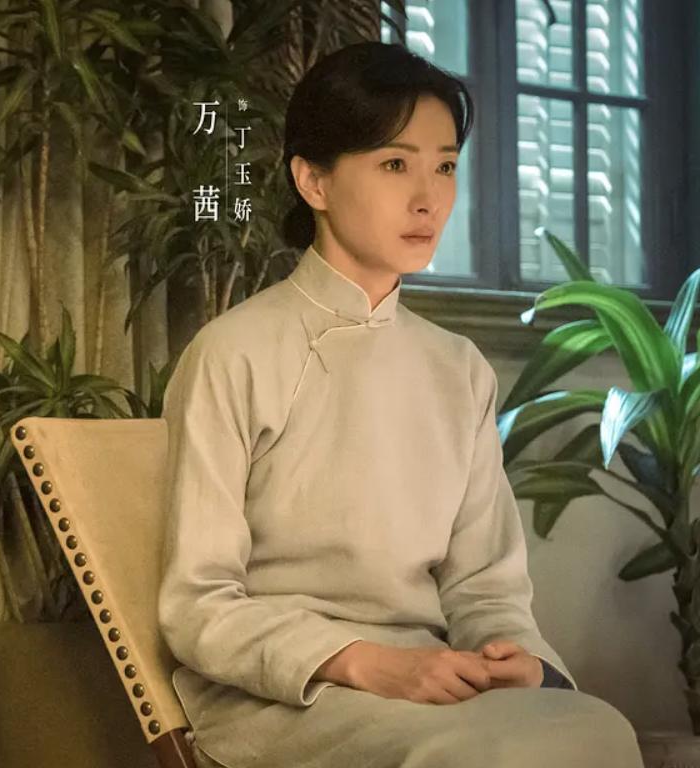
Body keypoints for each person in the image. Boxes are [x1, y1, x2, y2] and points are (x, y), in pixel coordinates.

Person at [156, 41, 644, 768]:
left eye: (444, 166)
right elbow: (198, 605)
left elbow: (485, 587)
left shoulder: (459, 368)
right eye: (394, 164)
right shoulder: (232, 353)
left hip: (429, 676)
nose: (429, 198)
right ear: (313, 181)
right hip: (283, 693)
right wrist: (362, 661)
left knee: (598, 728)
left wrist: (516, 659)